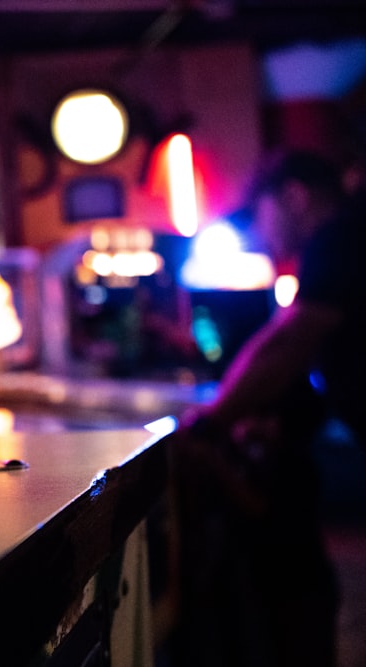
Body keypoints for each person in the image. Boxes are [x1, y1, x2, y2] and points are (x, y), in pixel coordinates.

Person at [169, 149, 362, 667]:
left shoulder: (339, 236)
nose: (264, 233)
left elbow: (294, 337)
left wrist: (213, 420)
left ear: (293, 196)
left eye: (262, 215)